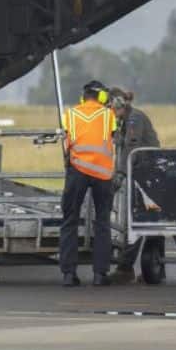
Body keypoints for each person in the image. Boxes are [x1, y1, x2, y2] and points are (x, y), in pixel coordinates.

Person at [59, 80, 118, 287]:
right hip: (102, 173)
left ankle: (68, 274)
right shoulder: (108, 115)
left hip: (77, 171)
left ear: (83, 96)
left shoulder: (70, 114)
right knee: (102, 222)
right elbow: (113, 136)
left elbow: (66, 140)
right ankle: (100, 275)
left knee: (69, 221)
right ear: (102, 97)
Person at [108, 88, 161, 284]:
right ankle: (158, 267)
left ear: (118, 104)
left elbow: (131, 147)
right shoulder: (127, 120)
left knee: (136, 220)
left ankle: (125, 268)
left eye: (111, 108)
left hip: (147, 174)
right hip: (147, 174)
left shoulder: (134, 120)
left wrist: (120, 174)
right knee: (153, 221)